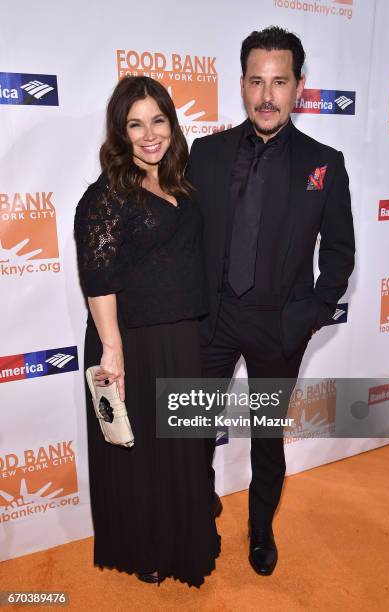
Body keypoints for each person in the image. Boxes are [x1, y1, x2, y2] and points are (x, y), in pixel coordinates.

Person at [187, 26, 355, 576]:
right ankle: (195, 512)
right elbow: (181, 237)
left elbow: (339, 253)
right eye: (256, 81)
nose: (266, 95)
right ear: (241, 84)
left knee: (265, 441)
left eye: (279, 82)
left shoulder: (324, 163)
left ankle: (260, 530)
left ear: (299, 87)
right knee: (190, 431)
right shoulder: (206, 154)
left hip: (276, 327)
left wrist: (305, 319)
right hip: (211, 320)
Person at [74, 76, 220, 587]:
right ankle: (151, 548)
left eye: (157, 120)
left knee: (181, 450)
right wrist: (112, 352)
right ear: (120, 132)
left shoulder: (176, 182)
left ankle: (183, 537)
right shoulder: (108, 194)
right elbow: (98, 276)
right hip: (136, 341)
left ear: (171, 124)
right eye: (135, 124)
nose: (149, 134)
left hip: (182, 338)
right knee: (146, 458)